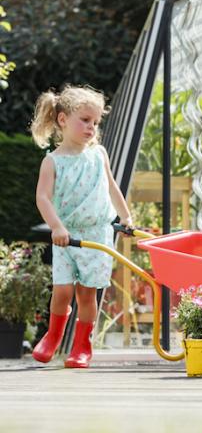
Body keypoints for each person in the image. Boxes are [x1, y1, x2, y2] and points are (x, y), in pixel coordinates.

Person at [30, 85, 132, 368]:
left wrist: (126, 217)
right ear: (63, 120)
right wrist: (57, 228)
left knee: (87, 294)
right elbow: (42, 198)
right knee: (62, 291)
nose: (91, 127)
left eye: (95, 122)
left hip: (97, 234)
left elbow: (112, 187)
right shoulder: (52, 161)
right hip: (66, 236)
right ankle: (52, 337)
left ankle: (82, 346)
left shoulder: (98, 154)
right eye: (85, 120)